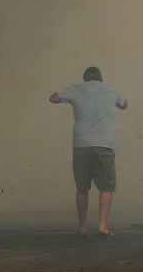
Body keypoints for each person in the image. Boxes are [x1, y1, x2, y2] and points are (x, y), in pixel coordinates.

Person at [50, 66, 127, 237]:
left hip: (81, 145)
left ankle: (83, 227)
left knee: (82, 187)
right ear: (100, 78)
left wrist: (71, 98)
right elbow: (124, 105)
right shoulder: (111, 90)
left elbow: (53, 98)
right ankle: (102, 225)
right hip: (104, 145)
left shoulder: (76, 89)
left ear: (85, 78)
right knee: (106, 187)